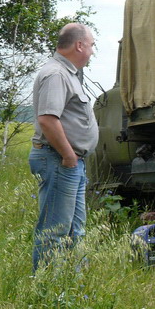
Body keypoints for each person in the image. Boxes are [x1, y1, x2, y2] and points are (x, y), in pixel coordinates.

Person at [29, 23, 99, 271]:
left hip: (70, 163)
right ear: (79, 45)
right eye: (91, 45)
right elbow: (47, 119)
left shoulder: (68, 73)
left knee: (74, 231)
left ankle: (73, 292)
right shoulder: (57, 74)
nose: (92, 51)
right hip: (59, 160)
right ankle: (47, 294)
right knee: (54, 231)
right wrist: (69, 156)